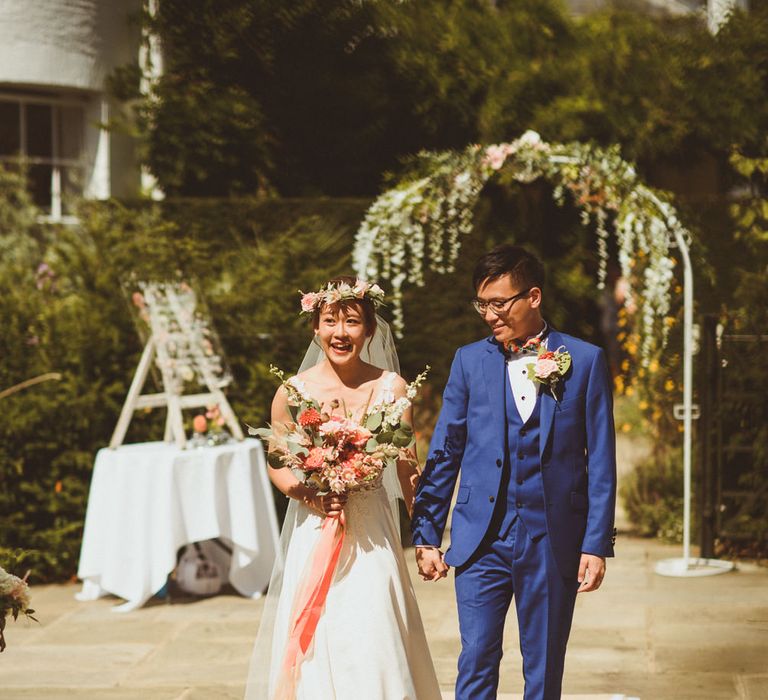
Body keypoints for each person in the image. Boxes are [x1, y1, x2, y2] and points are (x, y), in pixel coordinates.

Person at [411, 245, 617, 700]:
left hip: (552, 538)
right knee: (477, 659)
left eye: (499, 303)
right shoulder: (469, 360)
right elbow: (446, 449)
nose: (489, 315)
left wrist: (596, 543)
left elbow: (601, 460)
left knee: (543, 669)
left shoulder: (583, 361)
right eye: (482, 304)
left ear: (534, 296)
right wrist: (425, 533)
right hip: (479, 539)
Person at [245, 276, 441, 700]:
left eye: (352, 322)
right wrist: (309, 494)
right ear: (315, 328)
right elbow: (277, 461)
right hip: (315, 528)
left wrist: (426, 540)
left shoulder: (391, 389)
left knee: (375, 628)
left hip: (373, 535)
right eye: (330, 321)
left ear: (369, 330)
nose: (340, 332)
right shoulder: (293, 393)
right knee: (317, 636)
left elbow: (409, 469)